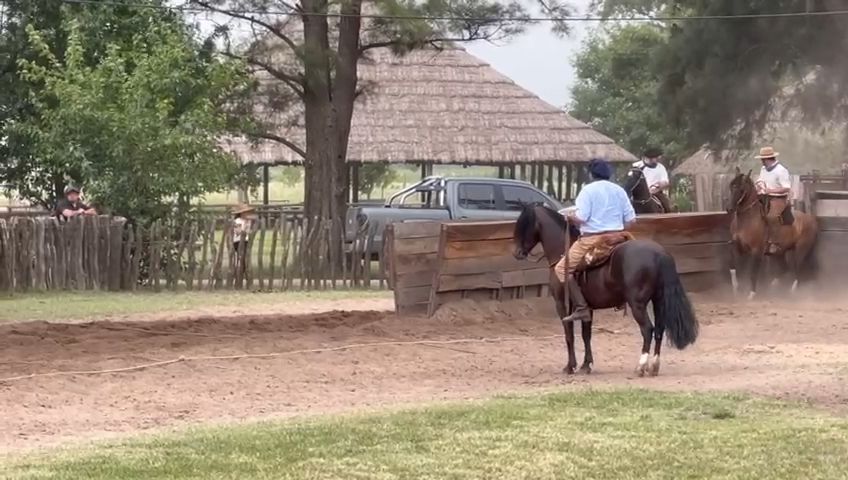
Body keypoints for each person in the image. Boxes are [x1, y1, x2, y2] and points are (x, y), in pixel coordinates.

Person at [555, 158, 637, 322]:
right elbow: (631, 220)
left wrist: (570, 218)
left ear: (591, 173)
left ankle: (581, 307)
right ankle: (621, 299)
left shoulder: (588, 190)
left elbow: (582, 217)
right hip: (619, 237)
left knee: (561, 269)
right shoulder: (619, 190)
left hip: (592, 239)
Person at [754, 146, 792, 254]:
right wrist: (759, 186)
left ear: (767, 159)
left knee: (771, 216)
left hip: (778, 199)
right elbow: (760, 181)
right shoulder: (763, 169)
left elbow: (786, 187)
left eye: (762, 159)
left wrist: (770, 190)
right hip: (764, 197)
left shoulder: (781, 170)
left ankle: (776, 243)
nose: (761, 161)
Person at [632, 147, 672, 212]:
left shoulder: (660, 167)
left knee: (666, 205)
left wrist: (658, 186)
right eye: (655, 158)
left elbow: (665, 181)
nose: (657, 159)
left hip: (655, 192)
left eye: (657, 158)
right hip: (638, 193)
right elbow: (630, 180)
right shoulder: (636, 166)